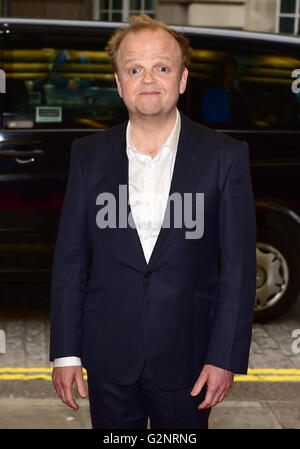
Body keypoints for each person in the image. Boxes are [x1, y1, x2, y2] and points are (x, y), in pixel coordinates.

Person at [50, 14, 257, 429]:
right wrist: (66, 352)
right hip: (108, 357)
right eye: (134, 69)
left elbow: (238, 268)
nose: (148, 79)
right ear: (118, 82)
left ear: (181, 80)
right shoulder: (87, 156)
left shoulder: (224, 157)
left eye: (161, 67)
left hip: (190, 358)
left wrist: (224, 357)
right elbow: (70, 261)